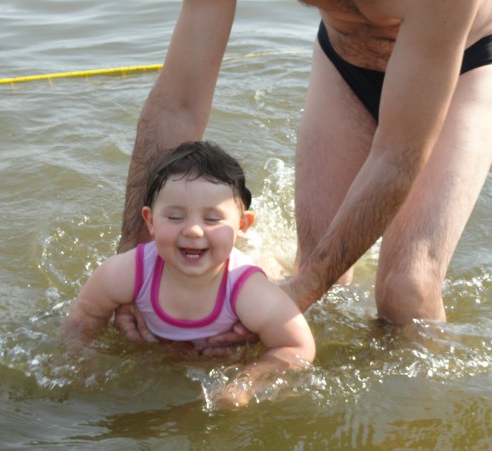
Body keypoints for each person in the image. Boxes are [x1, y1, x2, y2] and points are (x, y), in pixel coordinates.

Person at [114, 0, 492, 352]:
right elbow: (178, 104)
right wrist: (132, 261)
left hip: (465, 63)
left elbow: (396, 157)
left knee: (407, 289)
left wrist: (300, 291)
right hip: (346, 56)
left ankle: (414, 416)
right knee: (316, 268)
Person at [62, 141, 315, 405]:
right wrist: (83, 361)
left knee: (272, 272)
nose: (193, 230)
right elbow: (85, 313)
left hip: (244, 288)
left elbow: (296, 346)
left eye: (212, 219)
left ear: (242, 225)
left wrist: (245, 384)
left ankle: (269, 261)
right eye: (174, 217)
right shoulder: (129, 272)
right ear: (150, 221)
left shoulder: (248, 291)